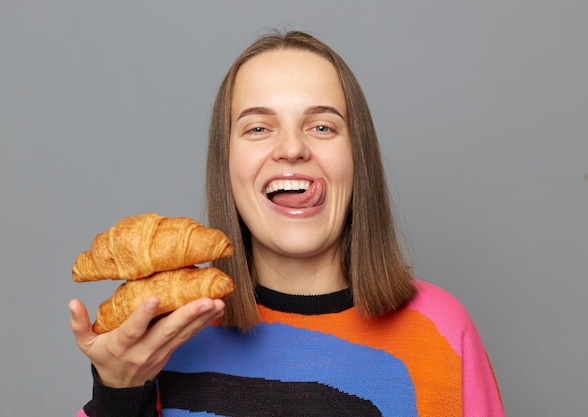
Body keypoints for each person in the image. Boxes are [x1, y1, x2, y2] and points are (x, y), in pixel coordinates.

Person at [69, 30, 505, 416]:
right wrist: (119, 396)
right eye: (258, 129)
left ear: (358, 159)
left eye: (321, 126)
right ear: (227, 166)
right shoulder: (165, 341)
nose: (292, 148)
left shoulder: (442, 329)